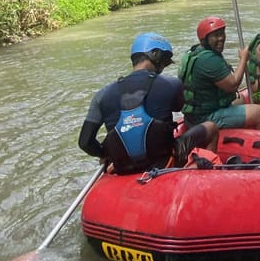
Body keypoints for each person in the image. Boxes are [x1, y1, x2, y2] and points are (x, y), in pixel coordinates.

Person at [78, 33, 217, 173]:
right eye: (165, 61)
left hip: (124, 168)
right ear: (154, 54)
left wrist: (105, 154)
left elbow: (85, 142)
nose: (163, 67)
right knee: (210, 127)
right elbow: (178, 107)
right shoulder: (172, 84)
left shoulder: (101, 95)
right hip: (164, 161)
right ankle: (207, 174)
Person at [179, 16, 260, 133]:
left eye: (222, 34)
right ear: (205, 39)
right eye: (216, 35)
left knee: (240, 100)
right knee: (259, 112)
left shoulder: (195, 53)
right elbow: (233, 85)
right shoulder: (209, 60)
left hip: (196, 114)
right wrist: (243, 59)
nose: (221, 38)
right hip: (205, 118)